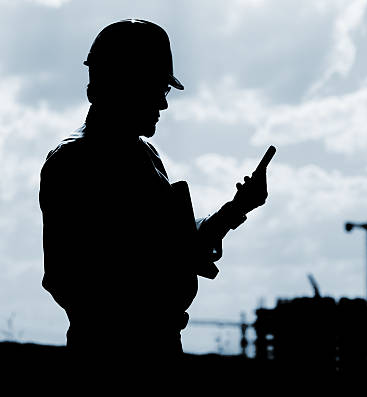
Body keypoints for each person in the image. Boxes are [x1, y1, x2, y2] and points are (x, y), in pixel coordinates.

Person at [38, 19, 268, 373]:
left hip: (156, 348)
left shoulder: (144, 155)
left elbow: (175, 243)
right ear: (124, 84)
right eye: (157, 89)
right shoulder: (75, 161)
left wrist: (236, 209)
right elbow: (69, 277)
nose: (163, 104)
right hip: (112, 357)